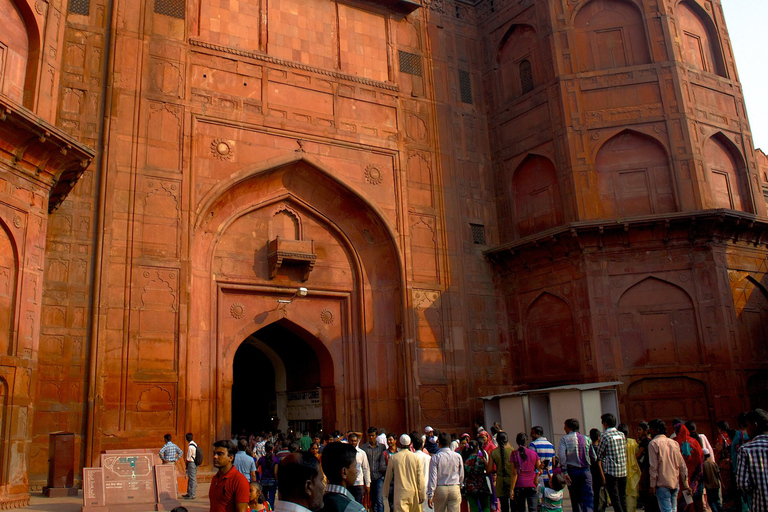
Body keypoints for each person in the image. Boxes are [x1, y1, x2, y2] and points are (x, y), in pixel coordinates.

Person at [648, 418, 689, 512]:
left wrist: (652, 485)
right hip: (675, 482)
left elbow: (653, 467)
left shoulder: (653, 444)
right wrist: (685, 483)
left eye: (651, 429)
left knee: (666, 510)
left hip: (662, 483)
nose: (650, 431)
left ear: (656, 430)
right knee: (673, 509)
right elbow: (682, 465)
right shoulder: (673, 443)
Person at [557, 418, 596, 512]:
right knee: (588, 496)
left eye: (565, 426)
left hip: (572, 471)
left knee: (575, 497)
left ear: (569, 428)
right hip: (585, 470)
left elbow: (562, 456)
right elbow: (594, 456)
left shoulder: (564, 439)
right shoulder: (586, 439)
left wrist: (564, 471)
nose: (564, 428)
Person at [319, 441, 367, 512]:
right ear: (344, 472)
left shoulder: (316, 505)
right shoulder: (357, 509)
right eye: (355, 466)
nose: (357, 470)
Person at [735, 409, 768, 512]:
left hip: (761, 506)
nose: (746, 430)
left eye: (747, 426)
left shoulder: (746, 450)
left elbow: (742, 484)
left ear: (754, 425)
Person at [383, 434, 425, 512]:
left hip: (400, 492)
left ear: (400, 443)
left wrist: (385, 492)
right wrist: (422, 494)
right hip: (413, 492)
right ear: (410, 444)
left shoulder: (394, 458)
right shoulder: (416, 458)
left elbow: (388, 476)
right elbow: (420, 477)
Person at [596, 413, 628, 512]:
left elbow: (599, 454)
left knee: (615, 498)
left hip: (611, 471)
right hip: (623, 470)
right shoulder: (621, 434)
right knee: (622, 496)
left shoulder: (605, 436)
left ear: (605, 423)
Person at [427, 432, 464, 512]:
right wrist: (459, 485)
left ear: (438, 444)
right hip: (454, 487)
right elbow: (461, 474)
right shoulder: (457, 456)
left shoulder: (435, 457)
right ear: (450, 443)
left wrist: (430, 494)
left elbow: (433, 477)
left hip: (440, 488)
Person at [210, 439, 251, 512]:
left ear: (231, 458)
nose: (215, 457)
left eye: (220, 454)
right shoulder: (215, 478)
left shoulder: (239, 481)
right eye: (214, 454)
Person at [674, 423, 704, 512]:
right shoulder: (695, 442)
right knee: (697, 502)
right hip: (695, 476)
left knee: (683, 502)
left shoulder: (674, 442)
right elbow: (701, 457)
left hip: (680, 477)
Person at [510, 432, 540, 512]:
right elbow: (539, 469)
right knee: (533, 509)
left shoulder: (514, 454)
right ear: (527, 442)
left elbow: (514, 473)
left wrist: (511, 489)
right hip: (532, 484)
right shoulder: (534, 453)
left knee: (520, 509)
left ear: (517, 441)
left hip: (519, 485)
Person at [463, 440, 491, 512]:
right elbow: (488, 472)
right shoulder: (482, 459)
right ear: (477, 448)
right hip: (482, 485)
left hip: (470, 487)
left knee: (474, 508)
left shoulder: (466, 461)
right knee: (485, 507)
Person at [363, 427, 386, 512]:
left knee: (379, 500)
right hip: (368, 477)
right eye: (370, 436)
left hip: (379, 476)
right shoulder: (364, 448)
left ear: (376, 436)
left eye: (373, 435)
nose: (371, 437)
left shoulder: (382, 447)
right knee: (372, 500)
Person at [619, 424, 641, 512]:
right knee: (631, 496)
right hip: (633, 473)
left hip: (620, 472)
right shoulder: (633, 443)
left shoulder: (618, 443)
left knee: (622, 496)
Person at [491, 432, 513, 512]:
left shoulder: (493, 452)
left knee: (504, 507)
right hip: (512, 481)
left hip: (500, 481)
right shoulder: (513, 451)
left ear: (497, 440)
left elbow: (490, 469)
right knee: (514, 506)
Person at [346, 432, 371, 504]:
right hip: (348, 483)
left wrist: (367, 484)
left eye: (355, 441)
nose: (353, 442)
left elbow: (366, 469)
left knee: (358, 504)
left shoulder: (361, 453)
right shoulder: (345, 452)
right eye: (351, 441)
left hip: (359, 483)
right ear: (348, 440)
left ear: (357, 441)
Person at [412, 436, 433, 511]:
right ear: (422, 446)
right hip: (427, 486)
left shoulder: (411, 457)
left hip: (415, 487)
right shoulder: (428, 458)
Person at [257, 442, 279, 509]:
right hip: (272, 480)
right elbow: (275, 472)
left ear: (265, 449)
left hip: (263, 480)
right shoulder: (276, 459)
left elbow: (256, 468)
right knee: (271, 499)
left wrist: (258, 477)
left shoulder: (261, 459)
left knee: (264, 499)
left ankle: (265, 509)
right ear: (272, 448)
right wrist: (277, 480)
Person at [590, 429, 607, 512]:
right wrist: (603, 477)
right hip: (598, 476)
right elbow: (599, 464)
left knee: (596, 497)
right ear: (598, 437)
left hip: (592, 475)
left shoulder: (589, 448)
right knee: (600, 498)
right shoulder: (597, 449)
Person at [182, 432, 198, 500]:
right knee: (191, 478)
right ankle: (189, 493)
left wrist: (186, 465)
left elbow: (188, 458)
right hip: (194, 463)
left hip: (191, 463)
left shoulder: (190, 446)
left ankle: (192, 494)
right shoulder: (195, 444)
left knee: (192, 479)